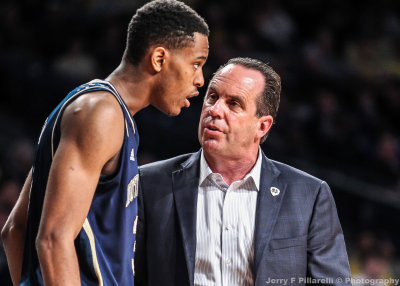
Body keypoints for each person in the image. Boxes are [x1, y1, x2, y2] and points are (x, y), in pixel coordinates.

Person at [1, 0, 209, 285]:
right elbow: (52, 239)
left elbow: (15, 229)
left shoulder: (98, 109)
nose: (200, 80)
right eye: (196, 64)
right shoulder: (102, 114)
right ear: (159, 58)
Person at [135, 57, 351, 286]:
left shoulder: (309, 195)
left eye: (234, 103)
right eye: (212, 97)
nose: (215, 110)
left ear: (262, 126)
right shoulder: (149, 183)